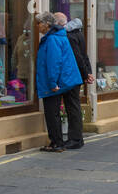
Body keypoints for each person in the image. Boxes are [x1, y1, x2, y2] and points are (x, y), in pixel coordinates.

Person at [34, 11, 83, 153]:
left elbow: (54, 63)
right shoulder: (58, 36)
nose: (37, 26)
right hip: (67, 79)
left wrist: (52, 83)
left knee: (52, 112)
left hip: (58, 82)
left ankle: (56, 143)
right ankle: (68, 140)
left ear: (47, 24)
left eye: (39, 23)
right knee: (66, 109)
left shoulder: (52, 39)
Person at [53, 11, 93, 149]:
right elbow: (84, 55)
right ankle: (77, 138)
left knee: (72, 107)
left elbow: (77, 56)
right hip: (77, 75)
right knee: (74, 106)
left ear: (58, 23)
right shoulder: (78, 32)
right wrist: (88, 72)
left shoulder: (68, 36)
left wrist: (85, 73)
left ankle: (75, 139)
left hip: (71, 76)